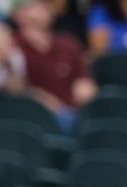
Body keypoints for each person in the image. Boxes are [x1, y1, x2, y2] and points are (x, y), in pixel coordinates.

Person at [12, 0, 95, 130]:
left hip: (73, 114)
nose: (43, 8)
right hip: (31, 119)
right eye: (35, 5)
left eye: (45, 4)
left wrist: (86, 89)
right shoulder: (11, 47)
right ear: (18, 14)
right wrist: (42, 100)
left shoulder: (69, 44)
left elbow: (85, 82)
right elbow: (14, 89)